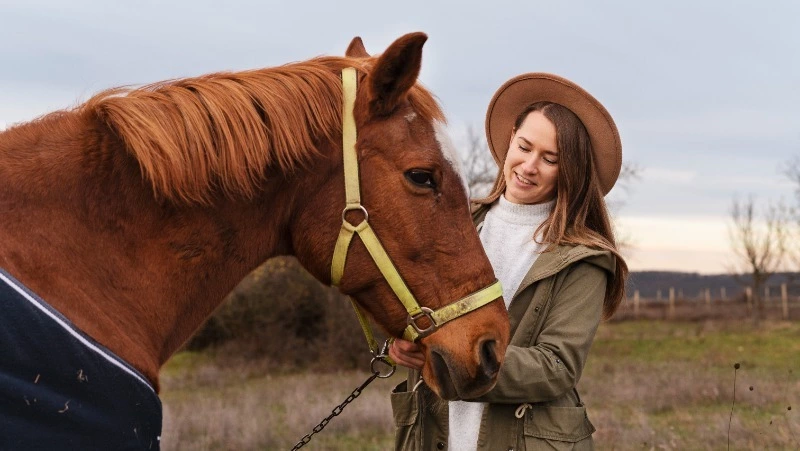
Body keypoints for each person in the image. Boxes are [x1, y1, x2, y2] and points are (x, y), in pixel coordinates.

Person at [388, 73, 629, 451]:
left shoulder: (584, 258)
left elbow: (556, 367)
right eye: (525, 146)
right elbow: (418, 312)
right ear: (511, 137)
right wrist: (402, 342)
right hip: (436, 435)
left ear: (571, 170)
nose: (529, 165)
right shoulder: (458, 222)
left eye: (550, 158)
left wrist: (452, 357)